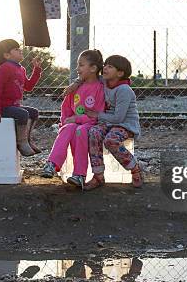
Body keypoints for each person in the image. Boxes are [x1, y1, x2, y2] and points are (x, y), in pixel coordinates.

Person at [41, 50, 105, 188]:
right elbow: (66, 109)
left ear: (93, 68)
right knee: (67, 128)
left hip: (89, 124)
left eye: (81, 65)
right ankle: (52, 164)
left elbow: (96, 115)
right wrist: (65, 122)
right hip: (74, 123)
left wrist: (77, 119)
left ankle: (79, 175)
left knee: (80, 131)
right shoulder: (75, 88)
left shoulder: (100, 89)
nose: (77, 69)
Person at [84, 55, 143, 190]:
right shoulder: (104, 82)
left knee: (111, 140)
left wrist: (97, 115)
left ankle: (135, 168)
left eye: (110, 66)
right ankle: (98, 175)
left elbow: (119, 118)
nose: (105, 68)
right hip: (108, 122)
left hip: (125, 124)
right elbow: (87, 77)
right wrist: (75, 84)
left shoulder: (124, 90)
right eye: (105, 65)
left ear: (120, 73)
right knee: (93, 132)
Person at [0, 39, 42, 156]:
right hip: (5, 108)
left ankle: (27, 139)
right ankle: (21, 142)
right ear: (7, 55)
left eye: (19, 48)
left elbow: (28, 86)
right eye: (16, 49)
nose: (20, 50)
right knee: (23, 114)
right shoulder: (5, 68)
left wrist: (36, 70)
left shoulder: (21, 69)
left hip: (15, 106)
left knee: (33, 112)